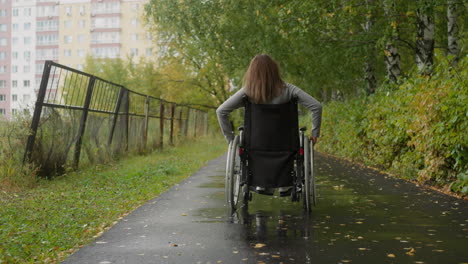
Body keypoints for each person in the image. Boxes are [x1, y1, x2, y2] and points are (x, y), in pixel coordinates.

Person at [216, 54, 322, 195]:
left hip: (256, 145)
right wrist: (315, 134)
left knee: (251, 143)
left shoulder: (248, 92)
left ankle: (260, 184)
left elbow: (221, 111)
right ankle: (285, 184)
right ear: (274, 71)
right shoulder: (289, 90)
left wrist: (230, 140)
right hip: (287, 145)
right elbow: (316, 106)